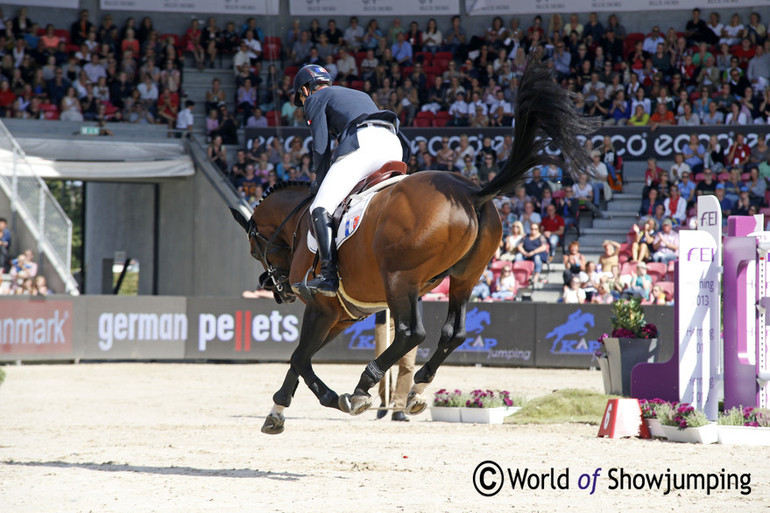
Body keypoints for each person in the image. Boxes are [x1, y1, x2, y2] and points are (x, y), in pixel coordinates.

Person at [292, 64, 410, 296]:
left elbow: (321, 146)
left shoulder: (316, 99)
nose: (303, 103)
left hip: (364, 144)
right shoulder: (359, 94)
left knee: (320, 207)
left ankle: (328, 276)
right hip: (393, 143)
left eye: (301, 98)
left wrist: (320, 179)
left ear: (306, 90)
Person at [374, 309, 416, 422]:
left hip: (412, 317)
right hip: (386, 315)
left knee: (408, 364)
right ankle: (385, 398)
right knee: (381, 360)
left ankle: (399, 407)